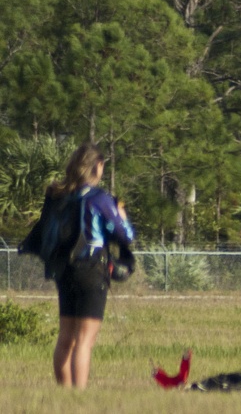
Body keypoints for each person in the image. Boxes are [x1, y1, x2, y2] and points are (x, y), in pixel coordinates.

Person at [19, 142, 135, 388]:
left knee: (66, 338)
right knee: (84, 341)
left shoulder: (60, 196)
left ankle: (65, 396)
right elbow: (125, 236)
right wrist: (123, 218)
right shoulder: (99, 198)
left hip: (64, 271)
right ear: (98, 166)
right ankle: (79, 397)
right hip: (91, 270)